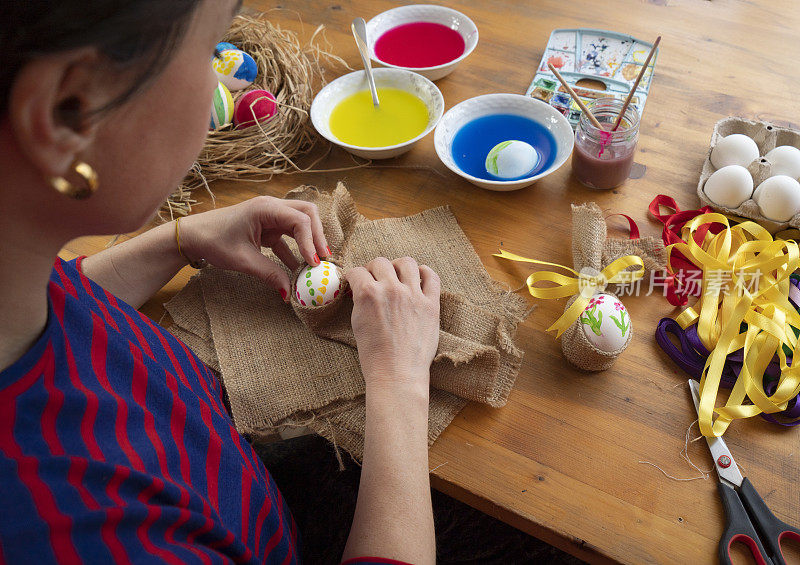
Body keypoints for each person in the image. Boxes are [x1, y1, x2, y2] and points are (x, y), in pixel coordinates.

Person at [0, 1, 440, 563]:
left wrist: (176, 241)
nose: (223, 86)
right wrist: (398, 377)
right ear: (69, 111)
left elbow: (61, 298)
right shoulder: (84, 535)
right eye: (211, 50)